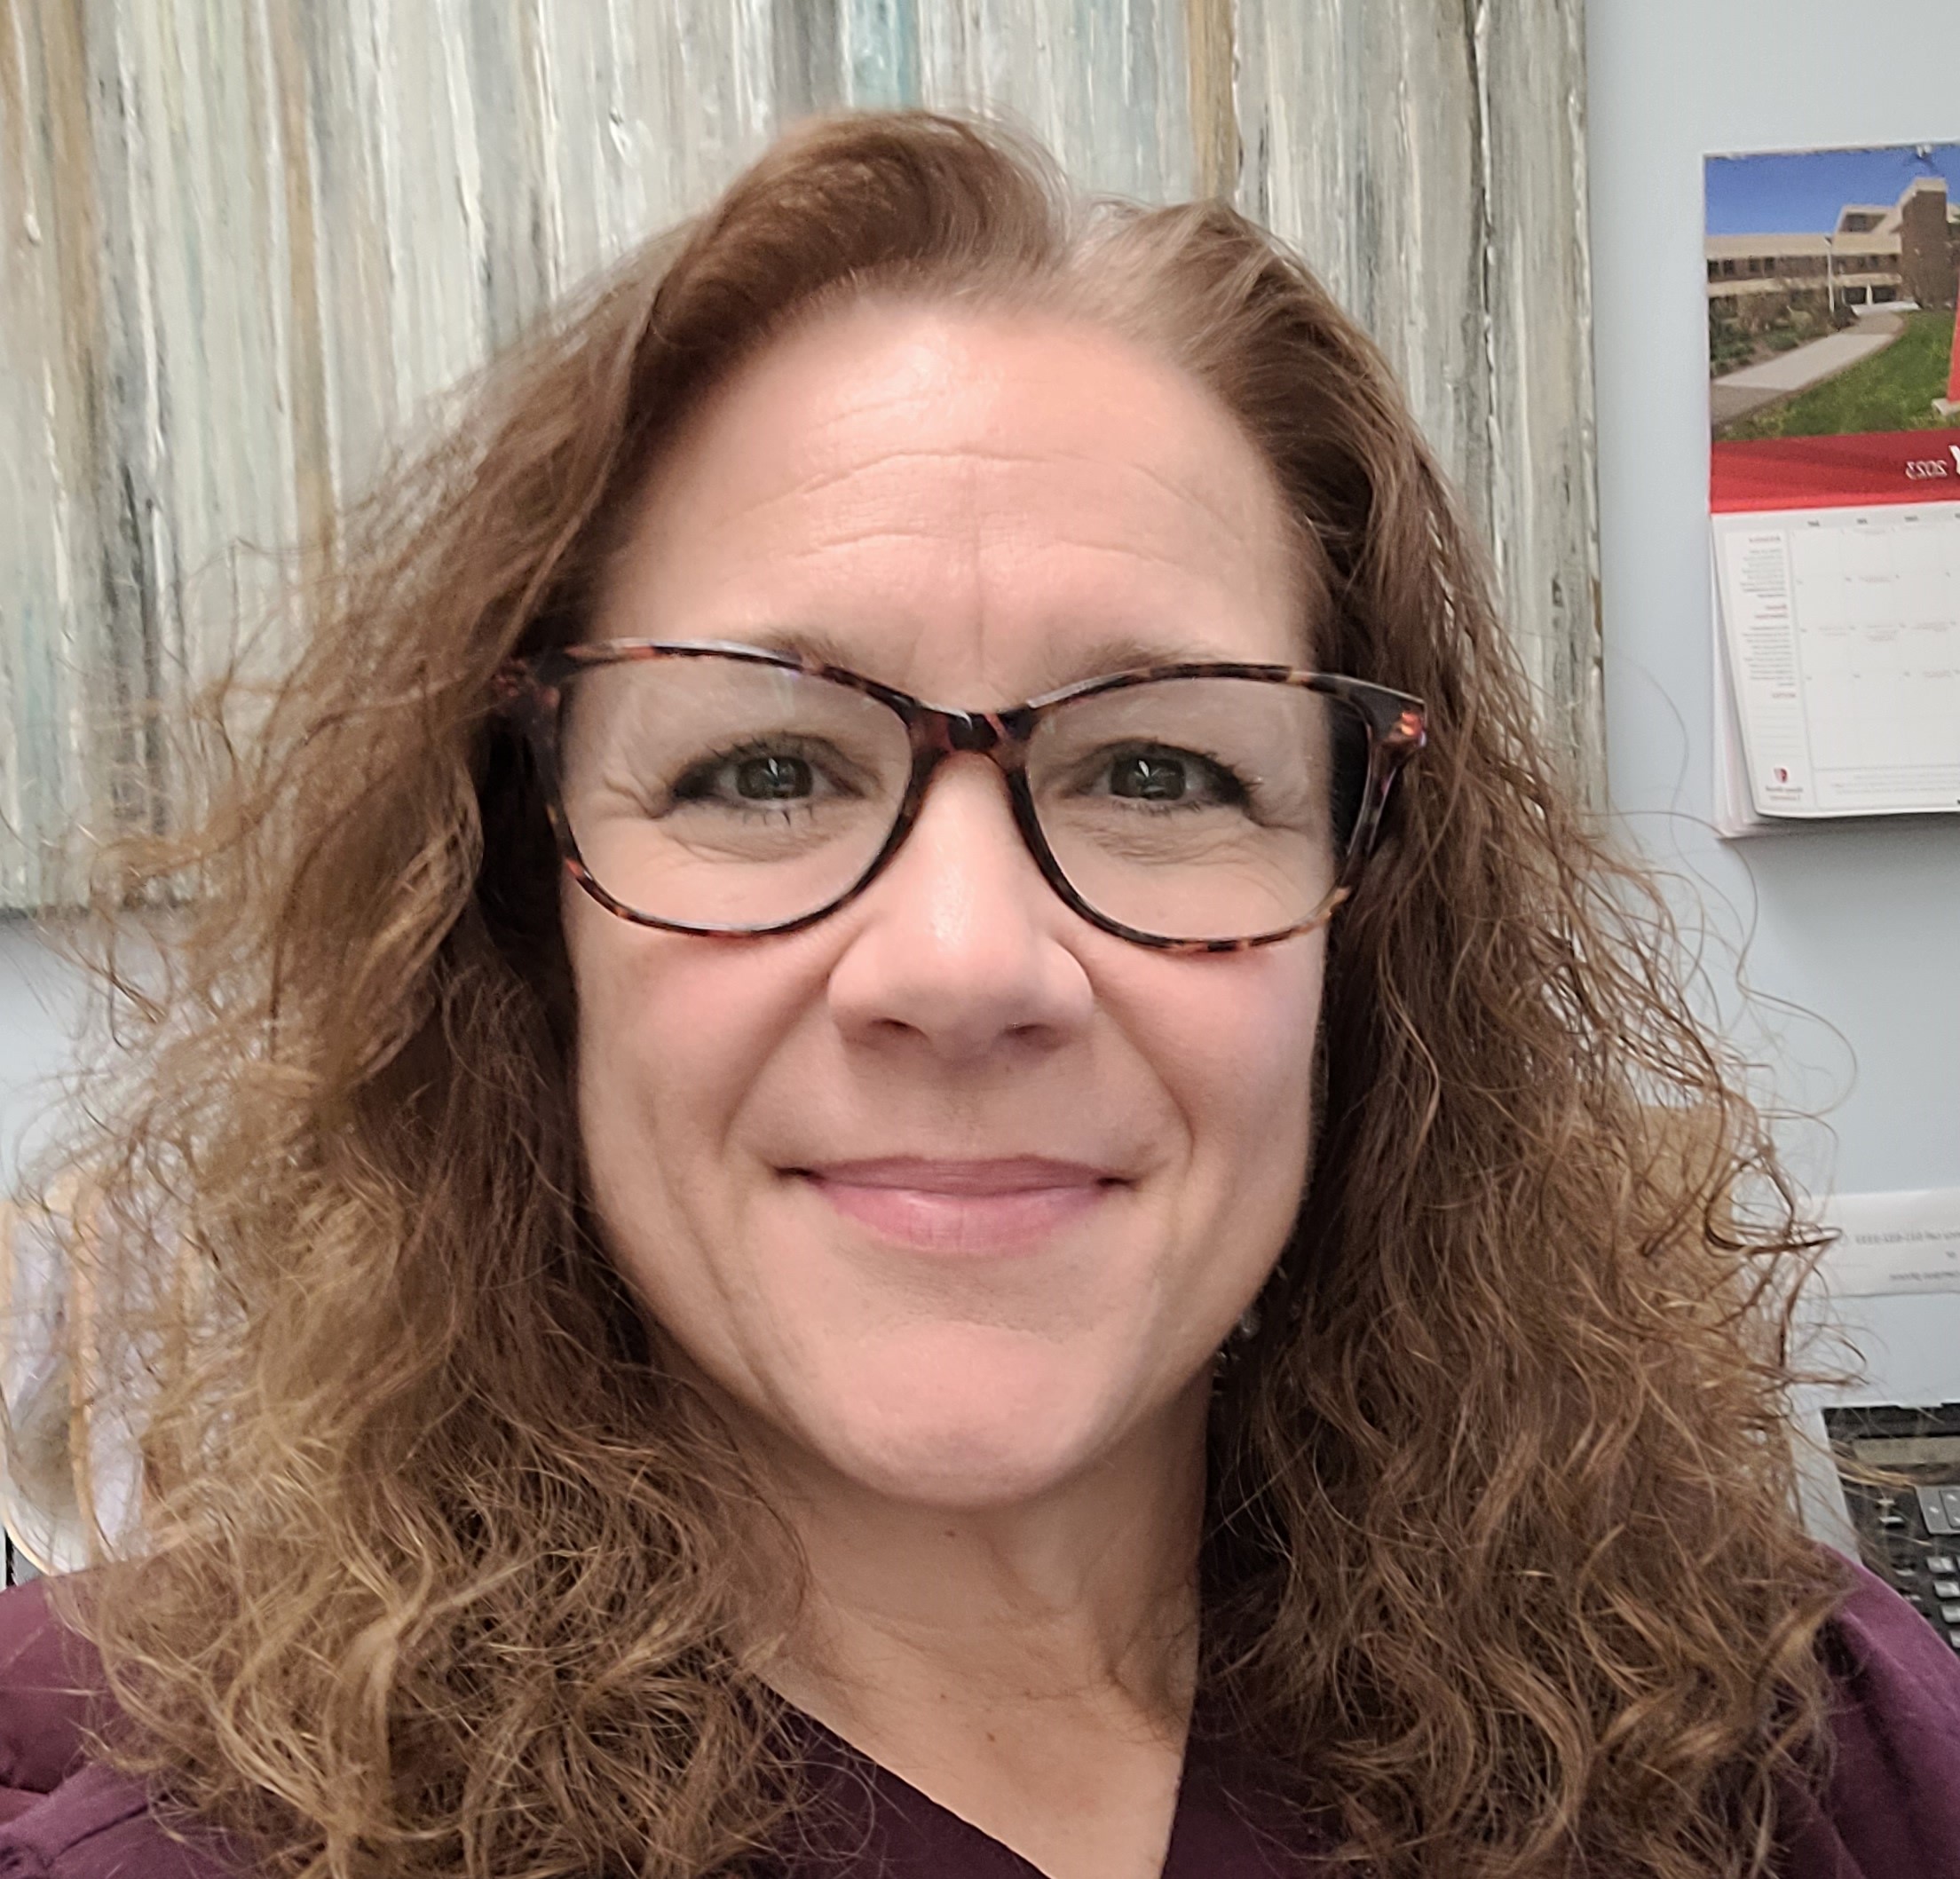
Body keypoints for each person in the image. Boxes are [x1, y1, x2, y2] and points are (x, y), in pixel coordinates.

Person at [2, 111, 1956, 1879]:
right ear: (525, 921)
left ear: (1372, 927)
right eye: (762, 770)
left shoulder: (1785, 1752)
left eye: (1166, 771)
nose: (964, 967)